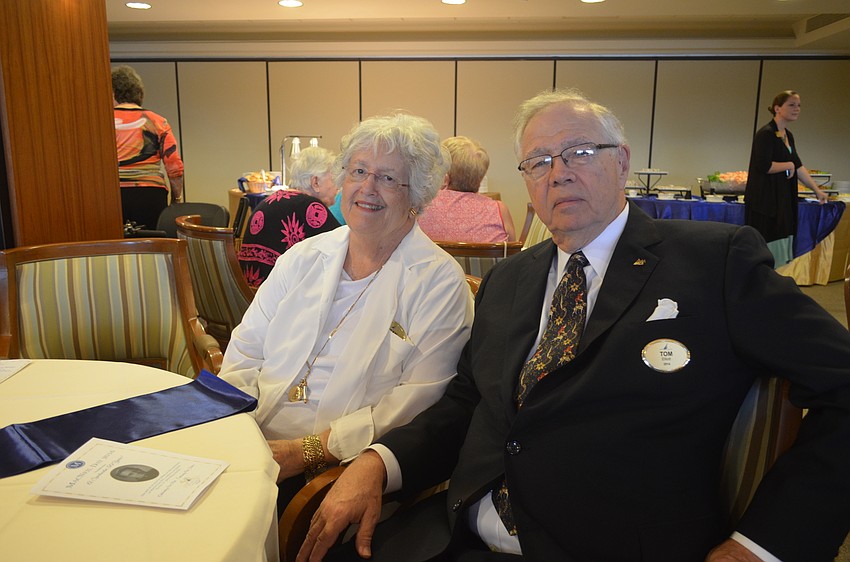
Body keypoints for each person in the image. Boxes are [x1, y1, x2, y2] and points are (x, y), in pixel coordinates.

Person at [297, 89, 850, 562]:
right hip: (456, 536)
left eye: (580, 152)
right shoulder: (508, 280)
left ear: (623, 162)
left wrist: (761, 546)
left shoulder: (714, 261)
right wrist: (379, 462)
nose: (558, 173)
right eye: (538, 162)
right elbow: (467, 404)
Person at [219, 112, 473, 516]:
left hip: (336, 470)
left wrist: (306, 451)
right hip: (251, 438)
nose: (367, 188)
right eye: (358, 171)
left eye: (388, 178)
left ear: (419, 193)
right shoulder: (304, 256)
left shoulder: (439, 283)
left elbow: (415, 403)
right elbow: (246, 349)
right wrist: (236, 427)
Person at [745, 90, 828, 266]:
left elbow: (798, 165)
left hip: (782, 201)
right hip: (765, 204)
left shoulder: (788, 135)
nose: (796, 109)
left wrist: (817, 190)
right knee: (766, 249)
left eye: (798, 106)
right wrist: (788, 165)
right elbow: (765, 166)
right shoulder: (766, 134)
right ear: (777, 108)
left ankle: (776, 283)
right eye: (791, 105)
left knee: (782, 250)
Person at [238, 146, 342, 288]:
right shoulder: (310, 206)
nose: (338, 187)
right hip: (278, 297)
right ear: (315, 182)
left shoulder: (272, 200)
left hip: (251, 292)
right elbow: (342, 250)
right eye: (333, 179)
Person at [112, 65, 184, 230]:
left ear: (113, 93)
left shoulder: (101, 121)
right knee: (152, 244)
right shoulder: (158, 121)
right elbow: (174, 167)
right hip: (151, 194)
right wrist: (176, 199)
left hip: (113, 195)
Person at [418, 136, 516, 242]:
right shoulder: (499, 210)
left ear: (445, 178)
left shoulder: (422, 207)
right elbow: (512, 250)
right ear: (481, 177)